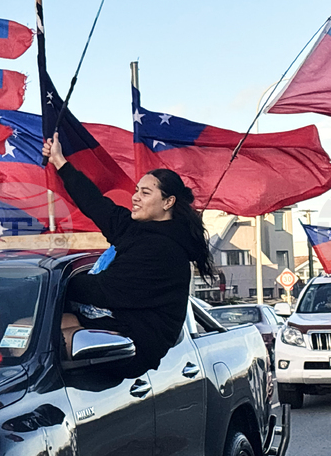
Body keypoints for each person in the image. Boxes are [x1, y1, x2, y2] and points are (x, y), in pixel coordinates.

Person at [42, 132, 215, 375]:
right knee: (31, 329)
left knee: (46, 343)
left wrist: (44, 286)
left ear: (168, 202)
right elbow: (95, 204)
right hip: (114, 323)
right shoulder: (137, 230)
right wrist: (59, 161)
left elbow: (102, 290)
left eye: (145, 193)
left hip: (135, 345)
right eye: (136, 190)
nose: (134, 197)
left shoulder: (164, 251)